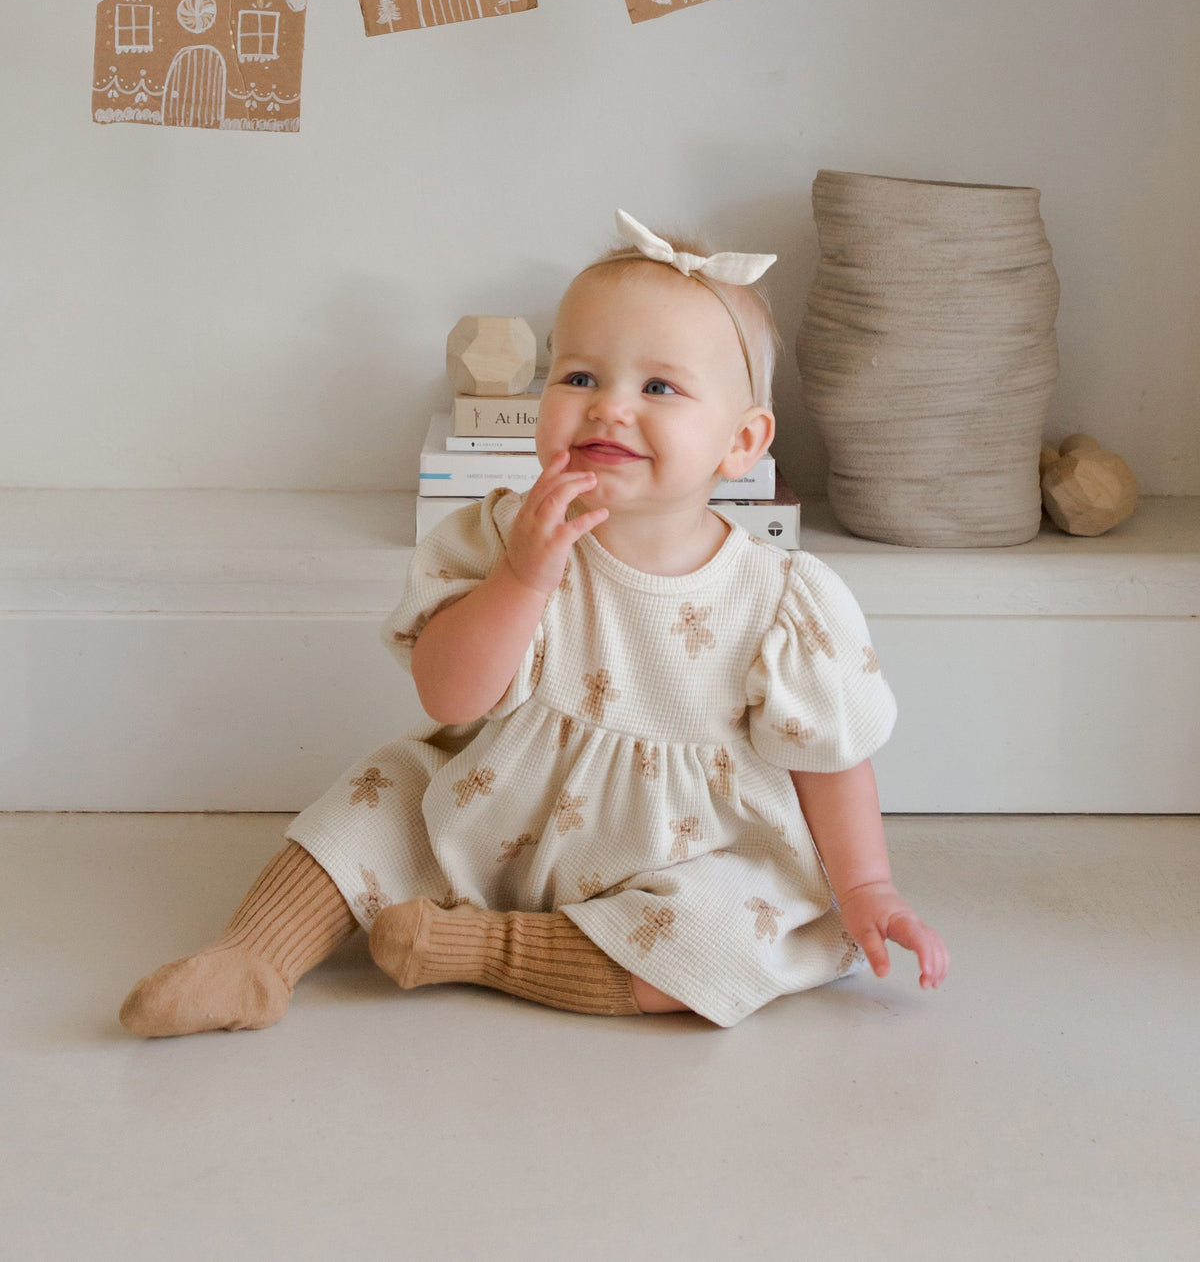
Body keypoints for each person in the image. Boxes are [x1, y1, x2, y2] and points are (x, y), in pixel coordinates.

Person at [120, 210, 948, 1036]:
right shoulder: (501, 537)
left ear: (742, 441)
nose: (608, 409)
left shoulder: (780, 598)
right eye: (579, 377)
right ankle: (253, 958)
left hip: (684, 853)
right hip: (496, 811)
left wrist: (868, 886)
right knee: (379, 798)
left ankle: (486, 949)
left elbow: (831, 760)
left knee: (729, 942)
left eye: (658, 388)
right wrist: (522, 576)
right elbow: (450, 698)